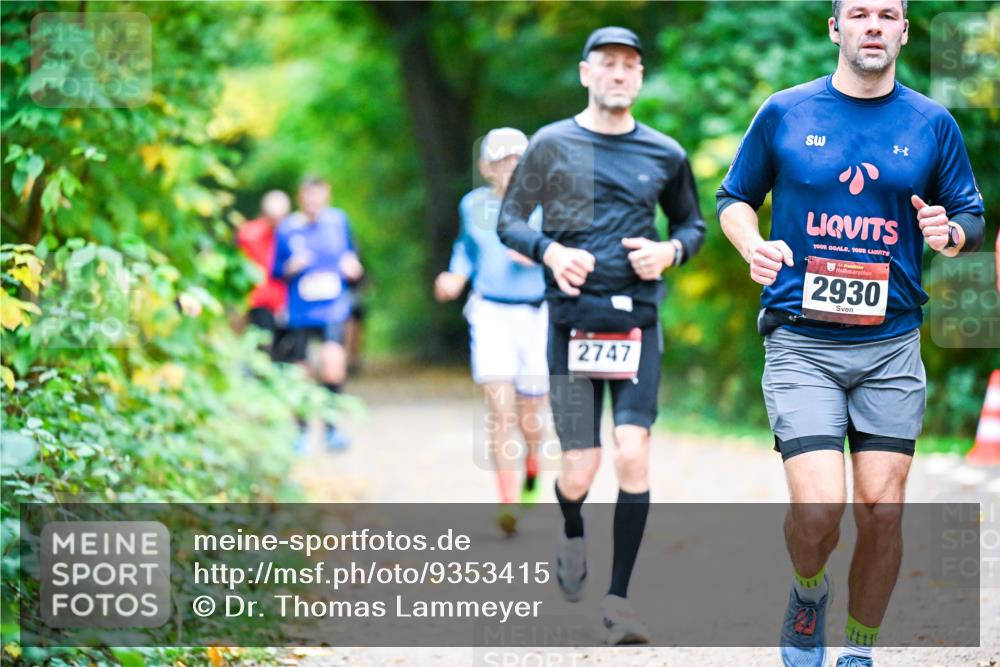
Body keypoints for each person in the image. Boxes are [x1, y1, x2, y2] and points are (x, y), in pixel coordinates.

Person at [716, 2, 985, 665]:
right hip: (801, 342)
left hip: (890, 345)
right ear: (835, 28)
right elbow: (734, 198)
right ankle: (808, 594)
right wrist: (752, 244)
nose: (873, 24)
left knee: (882, 510)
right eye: (858, 12)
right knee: (818, 512)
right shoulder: (786, 111)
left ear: (904, 31)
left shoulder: (932, 122)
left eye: (887, 14)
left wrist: (949, 233)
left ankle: (858, 650)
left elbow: (970, 216)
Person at [498, 27, 706, 645]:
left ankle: (619, 603)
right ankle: (571, 528)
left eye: (629, 65)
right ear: (586, 73)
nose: (618, 73)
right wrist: (550, 251)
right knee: (580, 469)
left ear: (639, 77)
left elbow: (692, 225)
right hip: (572, 323)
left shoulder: (664, 153)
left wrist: (670, 251)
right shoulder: (551, 144)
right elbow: (510, 221)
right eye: (607, 63)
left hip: (637, 319)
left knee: (632, 451)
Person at [434, 127, 550, 536]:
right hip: (490, 313)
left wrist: (539, 255)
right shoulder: (473, 206)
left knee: (530, 416)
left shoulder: (548, 206)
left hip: (536, 315)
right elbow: (465, 250)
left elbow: (573, 254)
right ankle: (507, 501)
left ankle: (532, 465)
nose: (510, 167)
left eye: (518, 159)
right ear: (486, 167)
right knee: (499, 410)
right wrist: (454, 276)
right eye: (502, 161)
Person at [273, 177, 365, 453]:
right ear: (300, 197)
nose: (313, 201)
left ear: (327, 196)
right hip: (300, 310)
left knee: (332, 361)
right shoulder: (288, 227)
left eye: (318, 196)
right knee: (300, 371)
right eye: (308, 196)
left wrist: (352, 265)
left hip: (333, 306)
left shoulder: (338, 221)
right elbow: (275, 270)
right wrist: (291, 267)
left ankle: (332, 429)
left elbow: (352, 255)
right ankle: (301, 432)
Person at [236, 190, 291, 357]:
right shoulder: (248, 234)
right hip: (258, 302)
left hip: (287, 303)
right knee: (263, 348)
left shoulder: (290, 233)